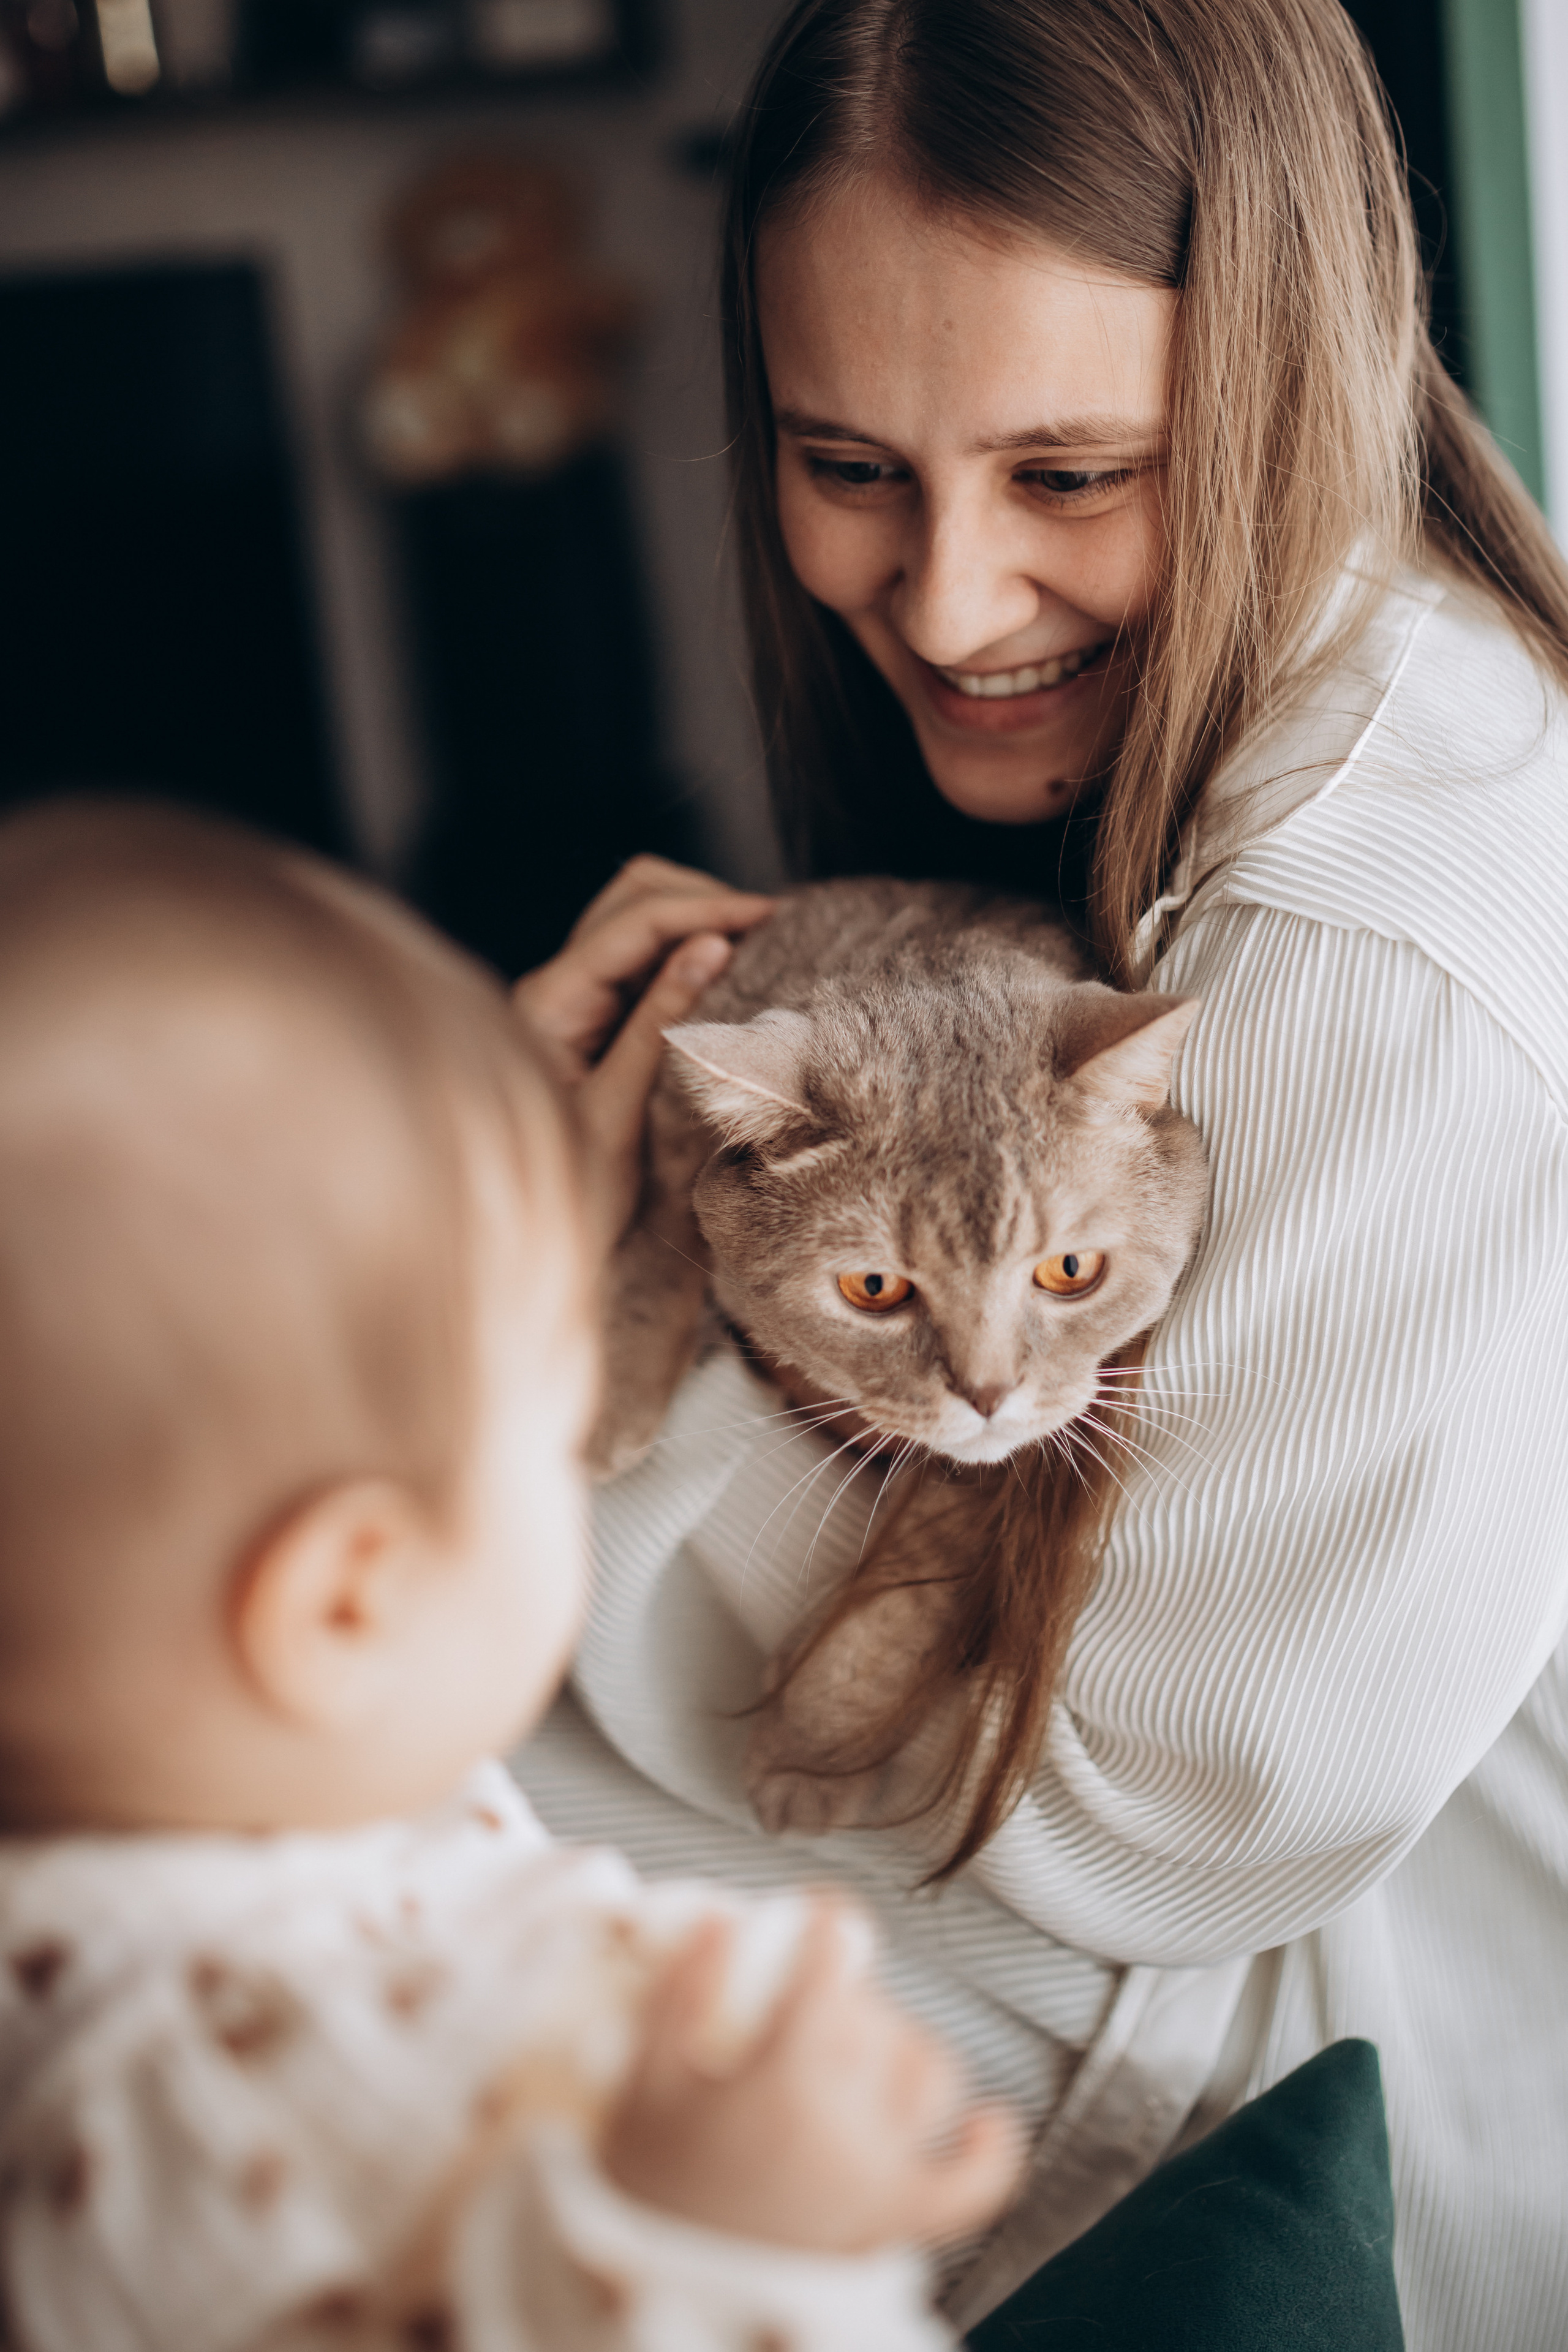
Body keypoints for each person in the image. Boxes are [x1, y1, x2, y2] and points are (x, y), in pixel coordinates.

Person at [513, 3, 1568, 2347]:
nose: (956, 600)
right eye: (847, 463)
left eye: (1075, 474)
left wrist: (543, 1299)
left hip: (1320, 2062)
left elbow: (1160, 1815)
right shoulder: (1280, 706)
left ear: (1294, 372)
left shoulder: (1351, 936)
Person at [0, 800, 1022, 2352]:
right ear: (351, 1600)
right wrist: (720, 2249)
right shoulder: (228, 2085)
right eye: (551, 1403)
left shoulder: (253, 1811)